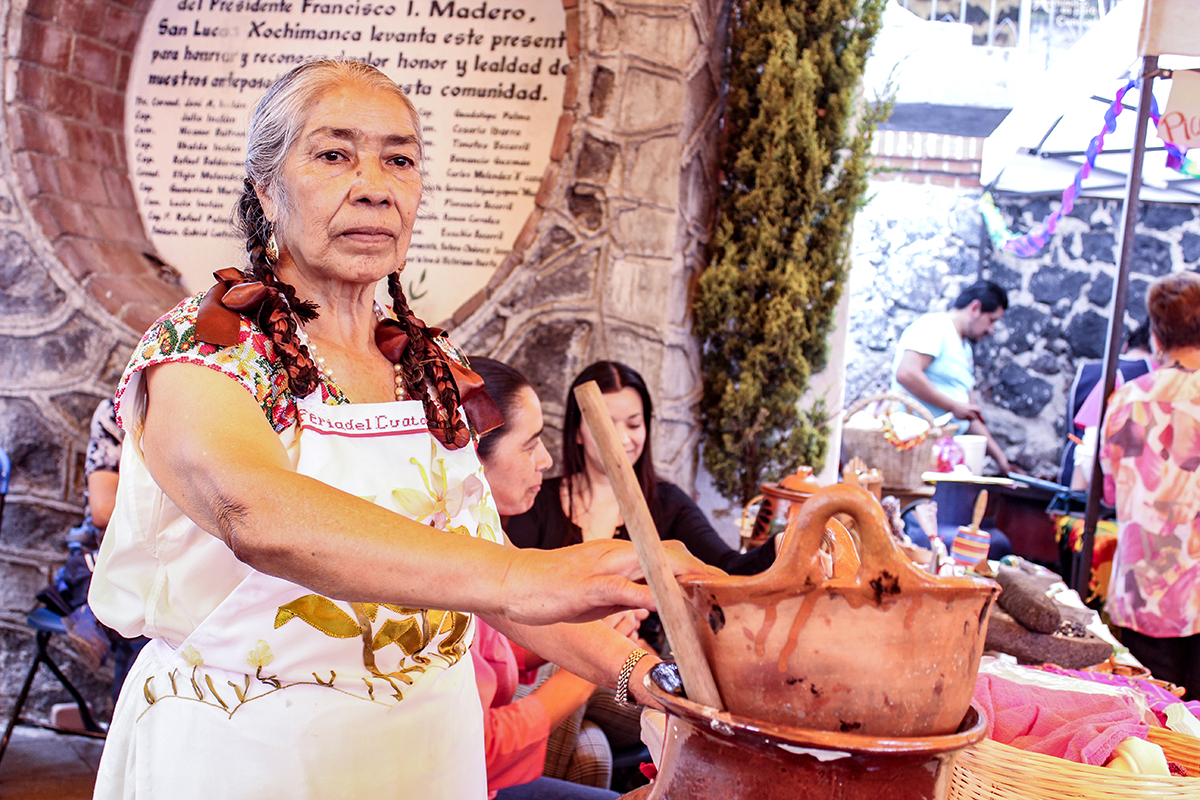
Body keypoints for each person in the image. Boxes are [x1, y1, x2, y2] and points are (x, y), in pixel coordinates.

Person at [86, 60, 711, 799]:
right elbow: (254, 512)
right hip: (250, 760)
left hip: (424, 758)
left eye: (400, 158)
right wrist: (525, 574)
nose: (376, 184)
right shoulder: (205, 346)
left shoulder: (427, 363)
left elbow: (481, 577)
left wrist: (647, 675)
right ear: (265, 188)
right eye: (333, 154)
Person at [506, 360, 782, 653]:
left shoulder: (668, 504)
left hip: (636, 659)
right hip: (543, 657)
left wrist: (784, 543)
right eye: (605, 424)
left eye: (634, 424)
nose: (623, 439)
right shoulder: (537, 500)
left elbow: (726, 571)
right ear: (577, 432)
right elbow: (512, 593)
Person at [470, 356, 627, 800]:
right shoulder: (453, 548)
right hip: (465, 771)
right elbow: (477, 746)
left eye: (634, 424)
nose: (545, 459)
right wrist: (592, 674)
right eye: (529, 444)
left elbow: (499, 639)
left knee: (593, 751)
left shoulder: (483, 529)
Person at [1099, 272, 1200, 702]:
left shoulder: (1128, 399)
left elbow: (1108, 490)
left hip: (1146, 582)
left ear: (1157, 335)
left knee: (1155, 717)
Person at [892, 280, 1015, 475]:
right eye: (992, 320)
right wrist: (952, 406)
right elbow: (906, 373)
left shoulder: (965, 348)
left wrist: (1001, 460)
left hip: (945, 456)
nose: (991, 330)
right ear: (975, 308)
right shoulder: (934, 327)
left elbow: (970, 414)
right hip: (914, 453)